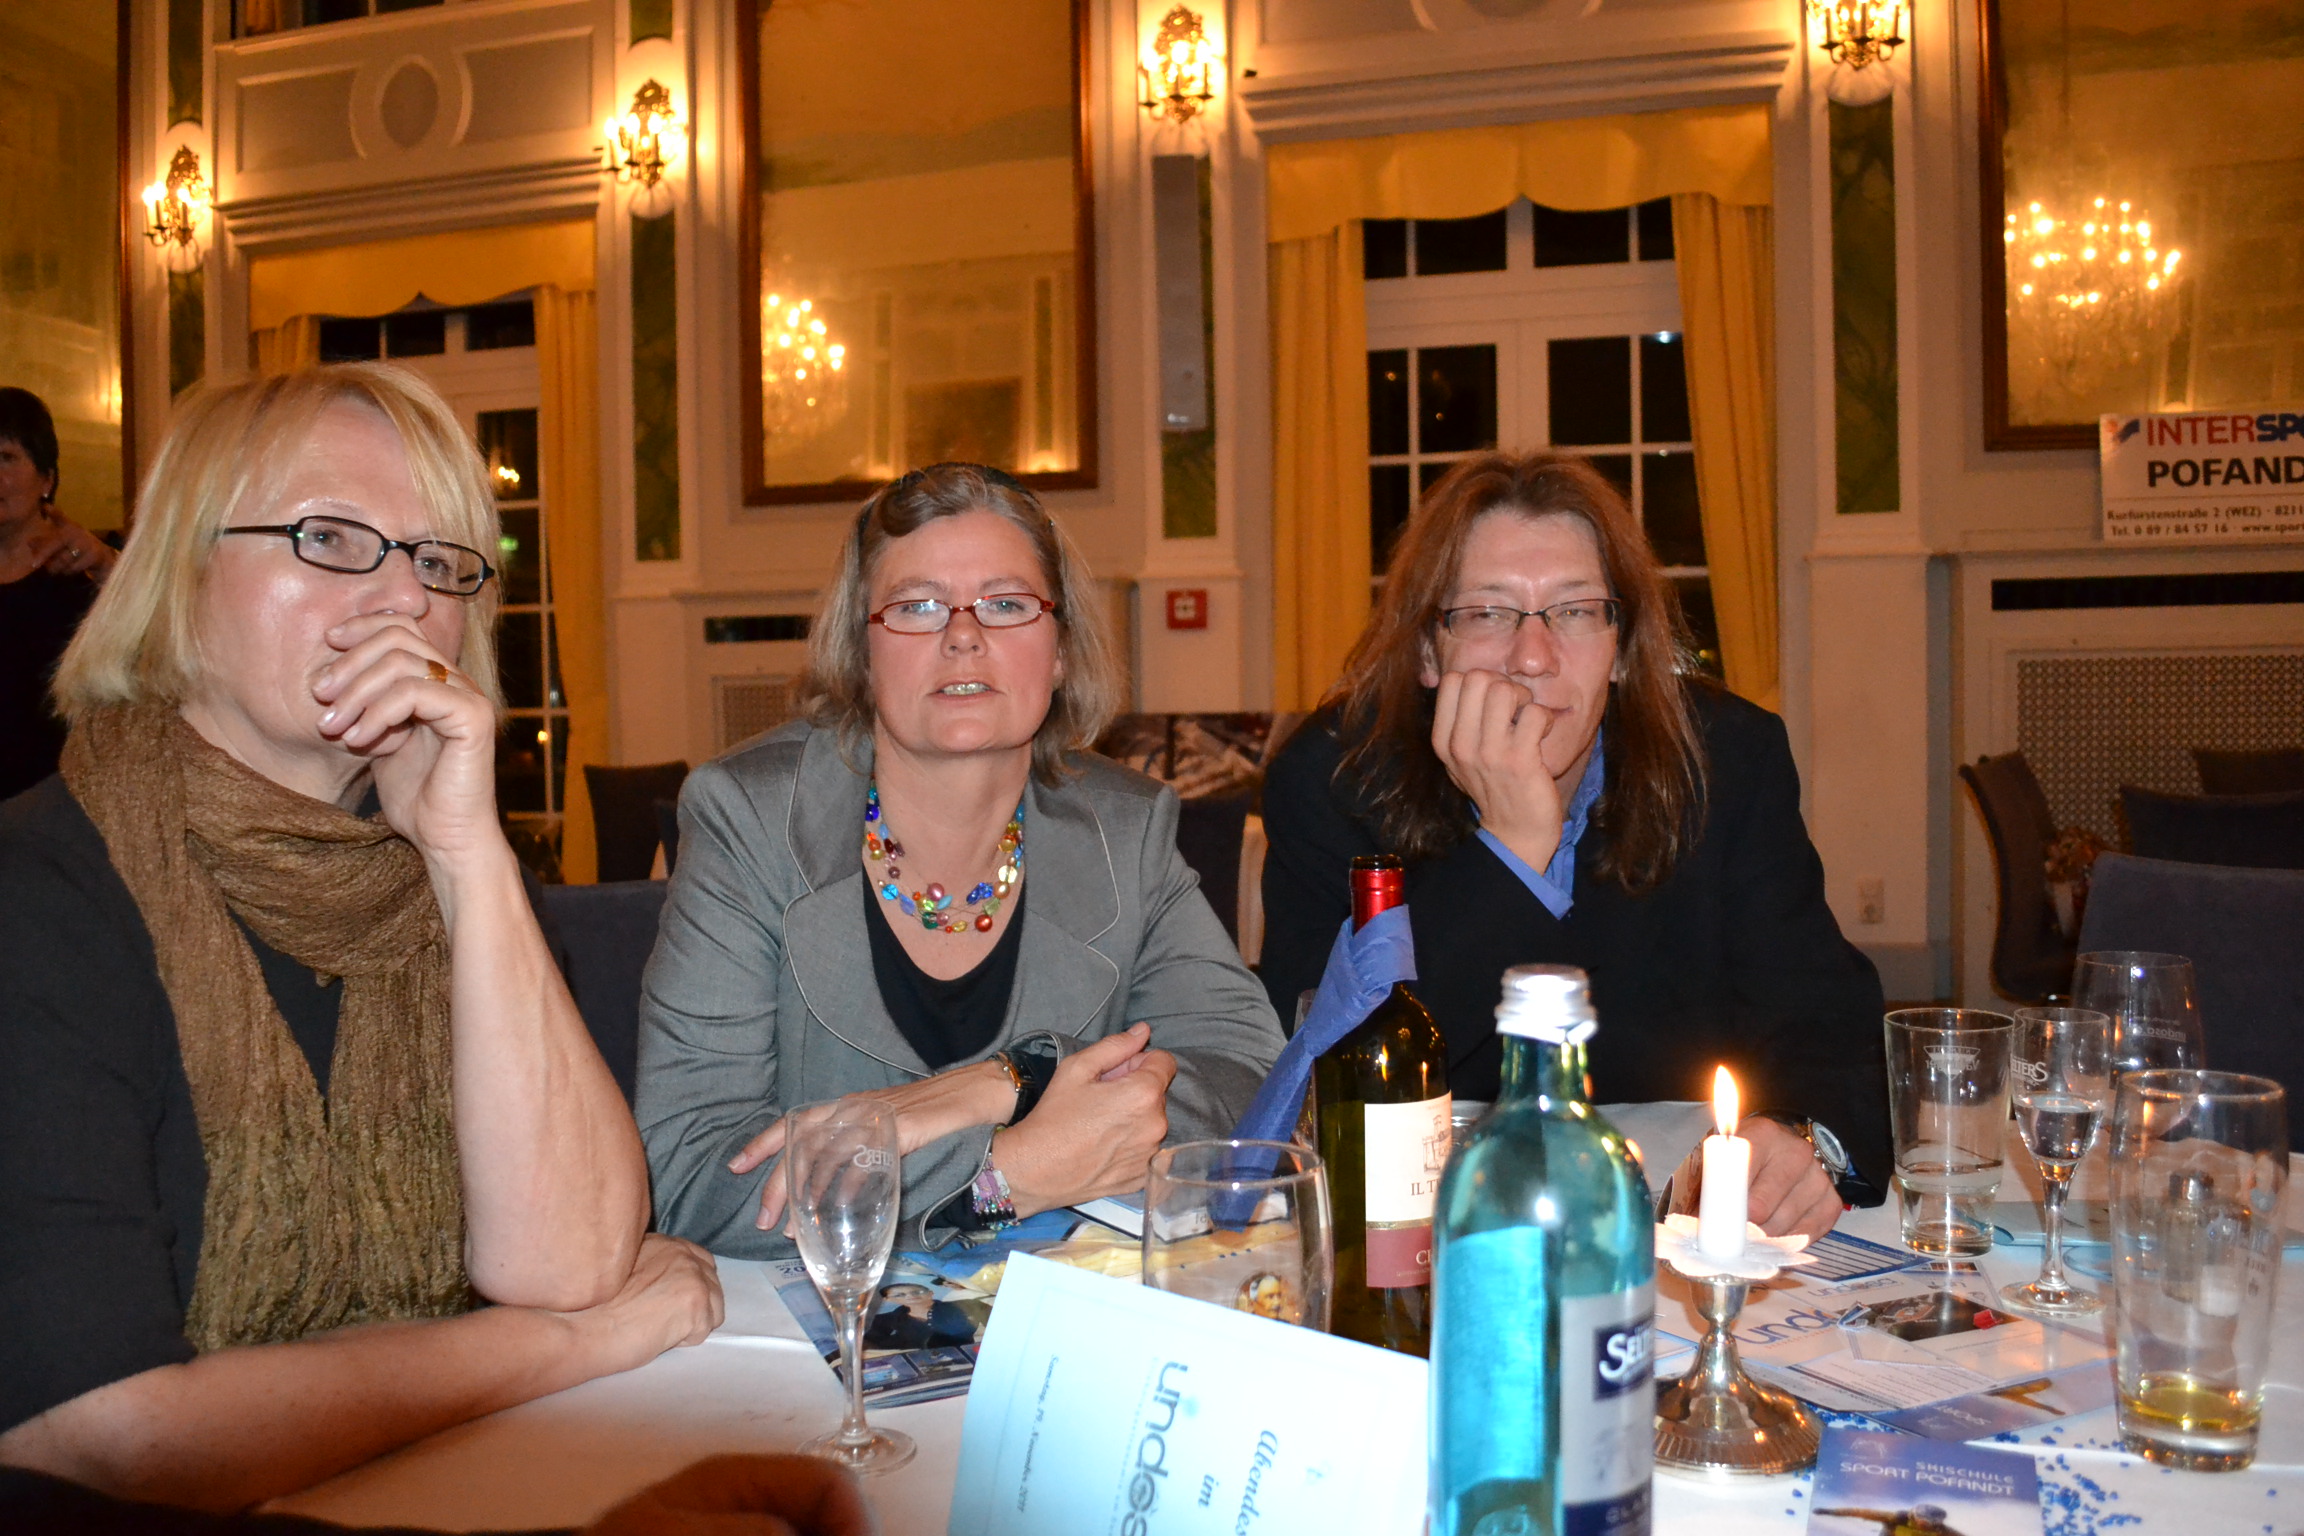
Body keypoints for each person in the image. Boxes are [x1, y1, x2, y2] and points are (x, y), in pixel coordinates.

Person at [0, 365, 722, 1513]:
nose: (401, 600)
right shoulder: (38, 894)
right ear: (181, 573)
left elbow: (574, 1261)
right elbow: (105, 1436)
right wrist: (561, 1347)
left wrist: (468, 856)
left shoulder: (448, 874)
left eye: (439, 561)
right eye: (329, 537)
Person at [638, 463, 1284, 1253]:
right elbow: (691, 1175)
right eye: (917, 606)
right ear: (861, 653)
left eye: (1007, 604)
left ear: (1060, 652)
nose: (964, 635)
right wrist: (1003, 1175)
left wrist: (1007, 1082)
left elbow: (1254, 1087)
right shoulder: (750, 818)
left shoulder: (1126, 829)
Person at [1259, 451, 1888, 1239]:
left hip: (1669, 1228)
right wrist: (1512, 847)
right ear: (1426, 652)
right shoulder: (1331, 778)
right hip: (1425, 1228)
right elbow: (1323, 1084)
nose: (1533, 657)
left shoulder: (1726, 758)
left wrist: (1807, 1136)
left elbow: (1823, 1018)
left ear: (1622, 647)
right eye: (1487, 613)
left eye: (1576, 611)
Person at [0, 386, 119, 801]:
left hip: (63, 805)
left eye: (6, 458)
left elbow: (162, 638)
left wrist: (106, 566)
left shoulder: (84, 571)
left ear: (47, 479)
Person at [862, 1282, 977, 1350]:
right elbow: (872, 1345)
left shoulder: (962, 1306)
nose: (910, 1296)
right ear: (888, 1299)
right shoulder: (884, 1321)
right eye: (900, 1295)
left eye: (917, 1292)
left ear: (930, 1293)